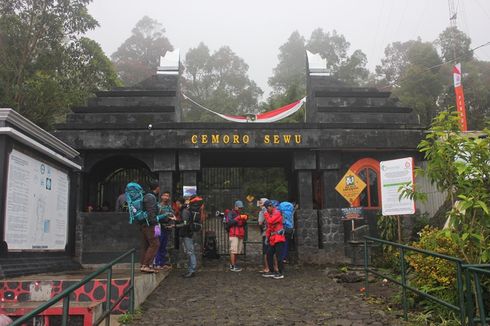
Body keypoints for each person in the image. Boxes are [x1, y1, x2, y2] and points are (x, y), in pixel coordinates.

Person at [139, 180, 161, 273]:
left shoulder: (147, 196)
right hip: (150, 225)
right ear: (157, 188)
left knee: (146, 244)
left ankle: (143, 264)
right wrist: (155, 223)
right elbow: (151, 212)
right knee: (155, 244)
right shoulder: (151, 197)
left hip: (145, 224)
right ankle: (146, 265)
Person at [262, 200, 286, 279]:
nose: (267, 209)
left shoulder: (277, 213)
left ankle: (281, 273)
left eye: (267, 208)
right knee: (269, 254)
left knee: (279, 257)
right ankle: (272, 271)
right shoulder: (271, 214)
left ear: (270, 206)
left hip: (279, 238)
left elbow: (271, 221)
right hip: (273, 239)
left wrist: (265, 213)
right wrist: (267, 237)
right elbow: (269, 227)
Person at [154, 191, 176, 270]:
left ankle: (162, 263)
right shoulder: (158, 206)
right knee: (158, 245)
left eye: (168, 196)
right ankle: (157, 263)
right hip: (159, 227)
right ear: (161, 196)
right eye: (165, 195)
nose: (166, 197)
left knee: (164, 246)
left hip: (167, 228)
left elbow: (172, 215)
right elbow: (155, 217)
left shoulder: (169, 207)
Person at [227, 200, 248, 272]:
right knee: (233, 250)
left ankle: (234, 264)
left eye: (241, 208)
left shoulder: (240, 213)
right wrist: (238, 218)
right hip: (234, 234)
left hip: (240, 234)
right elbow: (229, 223)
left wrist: (245, 220)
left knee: (237, 251)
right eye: (239, 208)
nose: (240, 209)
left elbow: (243, 224)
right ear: (235, 207)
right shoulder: (230, 213)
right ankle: (232, 266)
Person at [179, 198, 197, 278]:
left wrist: (175, 225)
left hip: (187, 234)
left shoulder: (185, 211)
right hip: (188, 233)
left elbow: (185, 223)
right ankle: (191, 269)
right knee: (190, 252)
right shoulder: (186, 210)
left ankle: (192, 270)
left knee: (190, 252)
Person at [258, 198, 270, 273]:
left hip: (266, 233)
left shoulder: (262, 211)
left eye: (260, 203)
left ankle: (267, 268)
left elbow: (260, 223)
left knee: (265, 251)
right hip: (273, 233)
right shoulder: (272, 210)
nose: (259, 204)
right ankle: (274, 267)